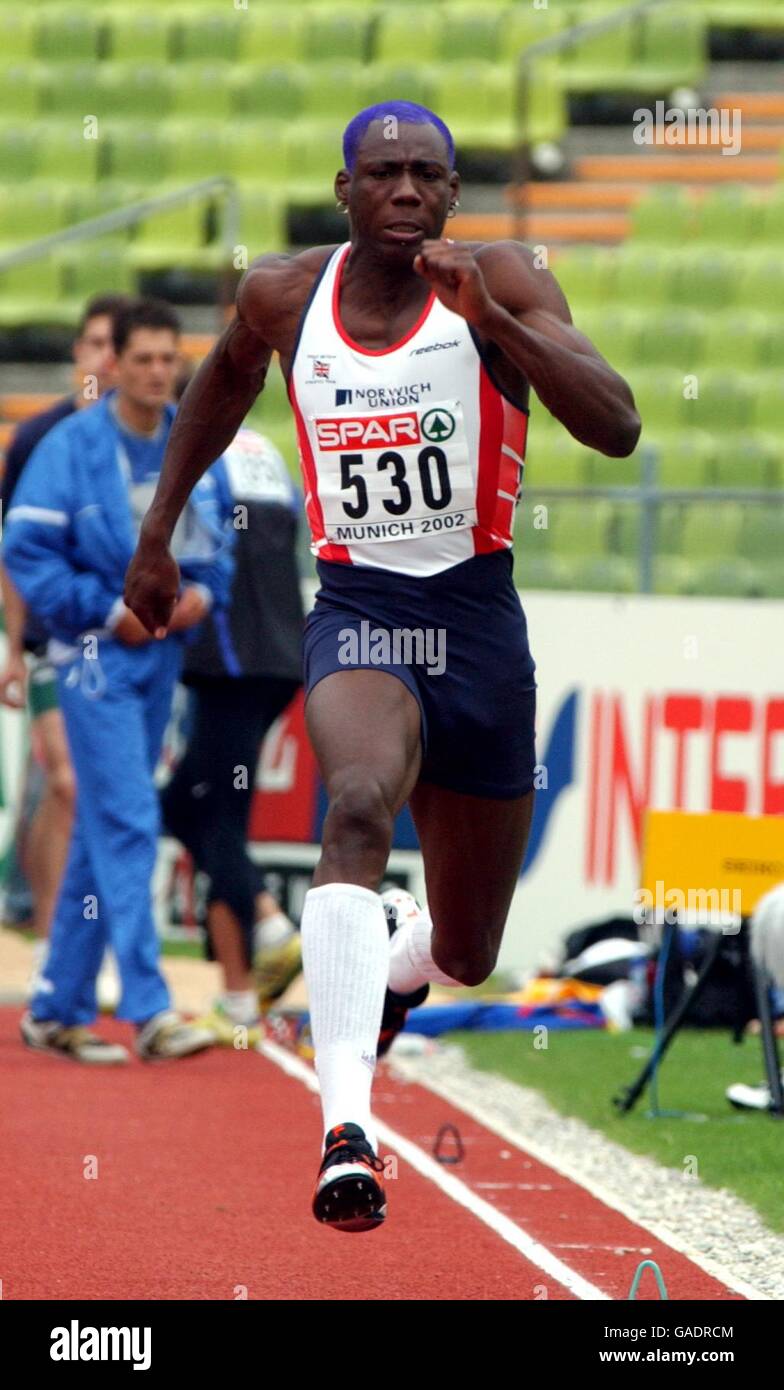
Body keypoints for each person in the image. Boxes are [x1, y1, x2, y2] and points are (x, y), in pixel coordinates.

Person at [124, 103, 640, 1222]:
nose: (407, 192)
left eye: (428, 175)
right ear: (345, 188)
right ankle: (344, 1129)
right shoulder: (283, 294)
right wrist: (157, 530)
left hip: (478, 624)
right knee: (354, 801)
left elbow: (617, 426)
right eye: (384, 174)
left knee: (466, 951)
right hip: (358, 607)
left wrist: (496, 320)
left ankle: (402, 956)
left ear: (453, 194)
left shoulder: (502, 277)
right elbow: (223, 381)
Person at [3, 298, 234, 1064]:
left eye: (170, 358)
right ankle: (149, 1006)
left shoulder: (193, 445)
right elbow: (26, 555)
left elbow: (218, 553)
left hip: (162, 659)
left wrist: (201, 596)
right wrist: (106, 611)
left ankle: (56, 1005)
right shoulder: (68, 448)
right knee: (131, 818)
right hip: (92, 659)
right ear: (114, 364)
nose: (159, 371)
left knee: (101, 833)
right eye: (143, 358)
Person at [161, 412, 304, 1045]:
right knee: (188, 805)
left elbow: (200, 550)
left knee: (213, 818)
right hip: (281, 654)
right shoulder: (266, 452)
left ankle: (258, 959)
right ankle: (253, 959)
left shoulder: (197, 452)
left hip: (230, 659)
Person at [0, 295, 130, 968]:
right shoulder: (39, 437)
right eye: (94, 345)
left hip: (127, 642)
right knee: (67, 783)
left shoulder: (143, 437)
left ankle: (66, 927)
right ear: (79, 354)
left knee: (92, 787)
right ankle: (53, 939)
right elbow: (10, 551)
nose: (105, 359)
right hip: (57, 633)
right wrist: (15, 650)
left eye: (117, 345)